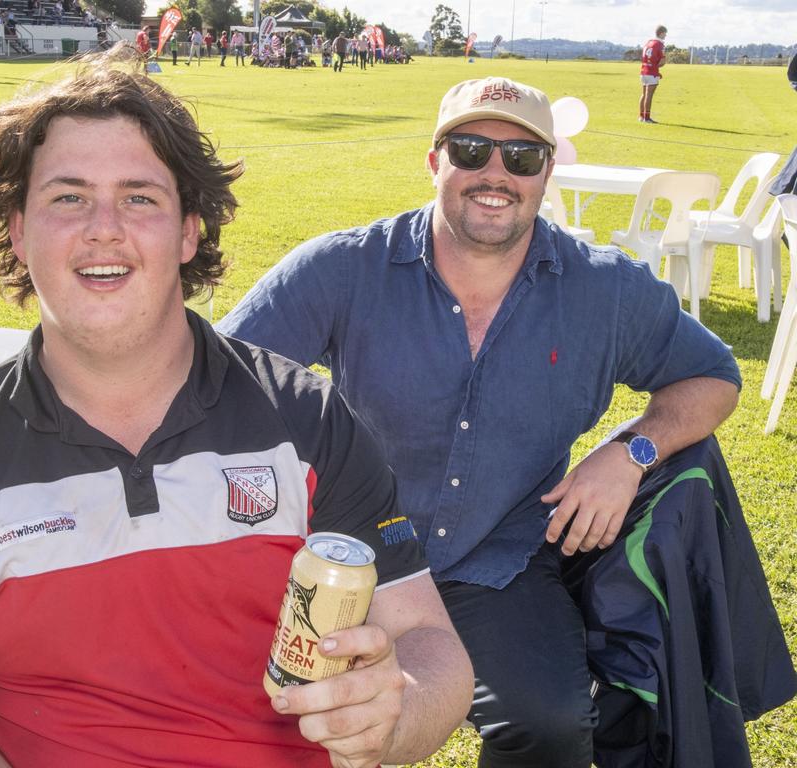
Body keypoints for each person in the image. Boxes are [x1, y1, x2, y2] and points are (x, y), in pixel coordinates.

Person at [0, 46, 473, 768]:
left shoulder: (308, 422)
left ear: (189, 232)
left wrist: (391, 715)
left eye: (140, 197)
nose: (103, 227)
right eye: (67, 196)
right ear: (19, 231)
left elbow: (432, 650)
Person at [218, 76, 749, 767]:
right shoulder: (344, 268)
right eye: (471, 150)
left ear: (547, 174)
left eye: (522, 158)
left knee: (553, 723)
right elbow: (221, 382)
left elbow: (714, 377)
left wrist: (631, 450)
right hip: (351, 557)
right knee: (274, 714)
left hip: (496, 559)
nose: (496, 174)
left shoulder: (604, 290)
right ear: (435, 162)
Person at [639, 25, 667, 123]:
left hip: (643, 71)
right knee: (649, 95)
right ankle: (647, 118)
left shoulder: (648, 42)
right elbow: (662, 61)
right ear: (661, 33)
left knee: (643, 94)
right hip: (652, 72)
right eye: (665, 34)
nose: (665, 36)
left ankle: (641, 116)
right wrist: (657, 67)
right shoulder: (660, 44)